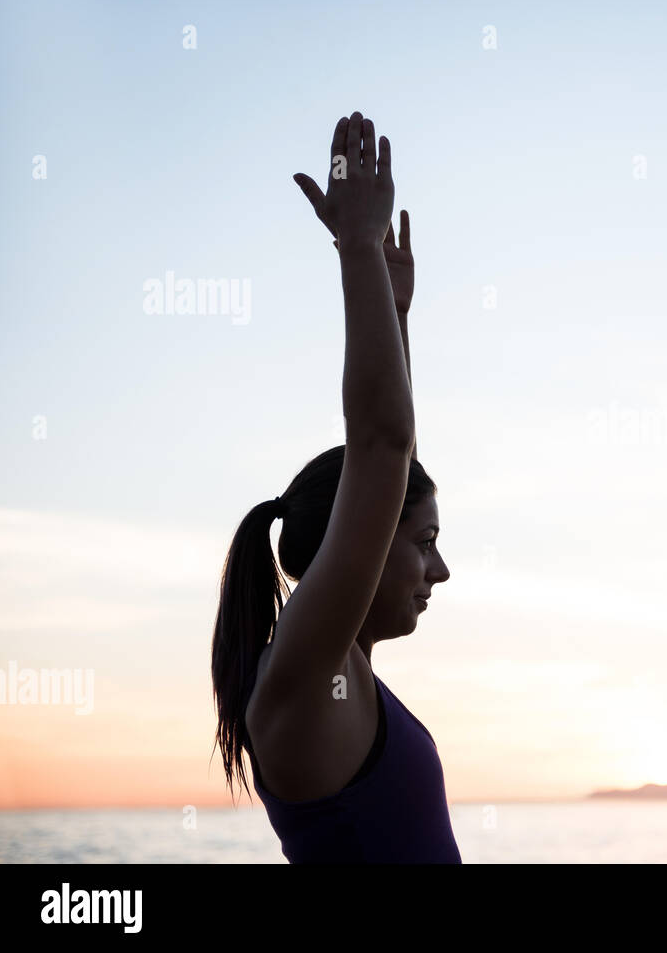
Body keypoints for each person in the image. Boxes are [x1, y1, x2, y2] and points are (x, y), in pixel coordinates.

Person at [210, 112, 460, 863]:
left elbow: (395, 460)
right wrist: (356, 250)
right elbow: (383, 448)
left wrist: (394, 308)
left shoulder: (340, 669)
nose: (440, 570)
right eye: (424, 545)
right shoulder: (305, 675)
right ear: (368, 536)